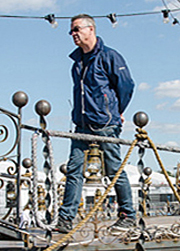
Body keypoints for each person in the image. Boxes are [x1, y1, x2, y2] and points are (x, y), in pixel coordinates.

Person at [57, 14, 136, 234]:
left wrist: (116, 110)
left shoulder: (110, 57)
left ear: (91, 29)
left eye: (76, 29)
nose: (73, 34)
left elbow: (127, 86)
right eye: (71, 31)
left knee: (114, 169)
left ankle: (128, 215)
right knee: (73, 171)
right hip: (82, 124)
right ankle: (65, 220)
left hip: (105, 124)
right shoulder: (77, 63)